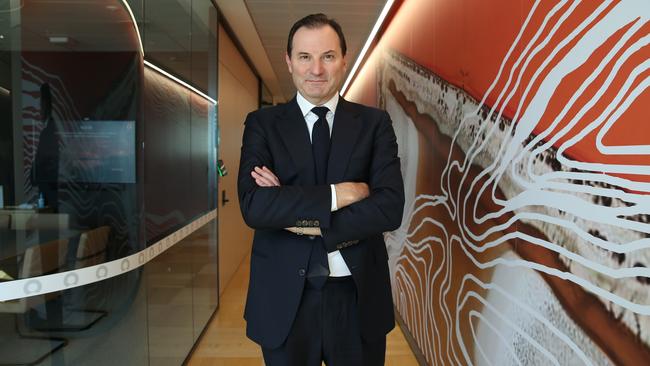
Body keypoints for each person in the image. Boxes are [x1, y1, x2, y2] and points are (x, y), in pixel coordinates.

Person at [237, 13, 405, 366]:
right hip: (284, 299)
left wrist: (297, 214)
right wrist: (338, 195)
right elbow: (255, 206)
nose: (316, 69)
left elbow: (389, 207)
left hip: (357, 298)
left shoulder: (374, 124)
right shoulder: (262, 125)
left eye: (328, 56)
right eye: (305, 57)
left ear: (344, 60)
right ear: (289, 62)